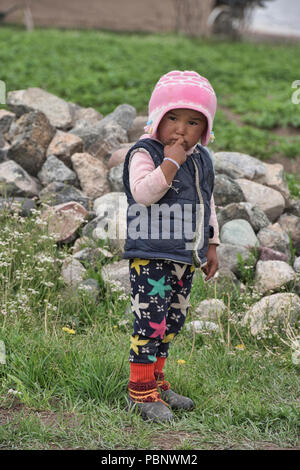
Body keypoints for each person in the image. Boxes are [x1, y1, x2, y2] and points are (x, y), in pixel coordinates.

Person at [122, 70, 219, 423]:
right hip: (149, 255)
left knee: (171, 322)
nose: (181, 130)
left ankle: (158, 383)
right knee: (149, 323)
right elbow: (143, 193)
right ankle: (139, 390)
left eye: (193, 122)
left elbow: (207, 203)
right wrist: (171, 162)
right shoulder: (144, 153)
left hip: (183, 255)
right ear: (157, 118)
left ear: (204, 130)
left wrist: (211, 244)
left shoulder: (202, 159)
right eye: (173, 118)